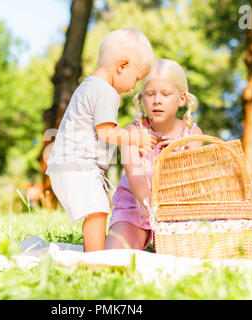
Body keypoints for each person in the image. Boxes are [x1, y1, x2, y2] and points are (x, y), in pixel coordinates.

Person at [45, 28, 157, 252]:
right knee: (98, 210)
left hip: (69, 165)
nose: (134, 86)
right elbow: (105, 131)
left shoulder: (88, 86)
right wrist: (132, 138)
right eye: (136, 78)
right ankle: (95, 258)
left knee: (97, 209)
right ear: (121, 66)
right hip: (77, 166)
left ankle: (94, 253)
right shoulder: (106, 92)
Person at [105, 59, 203, 250]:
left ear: (181, 98)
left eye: (166, 94)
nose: (157, 100)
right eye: (150, 94)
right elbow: (135, 176)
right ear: (142, 99)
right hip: (134, 209)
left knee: (183, 254)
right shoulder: (132, 133)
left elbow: (195, 178)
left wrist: (181, 153)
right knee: (114, 253)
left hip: (177, 212)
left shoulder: (192, 134)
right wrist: (152, 209)